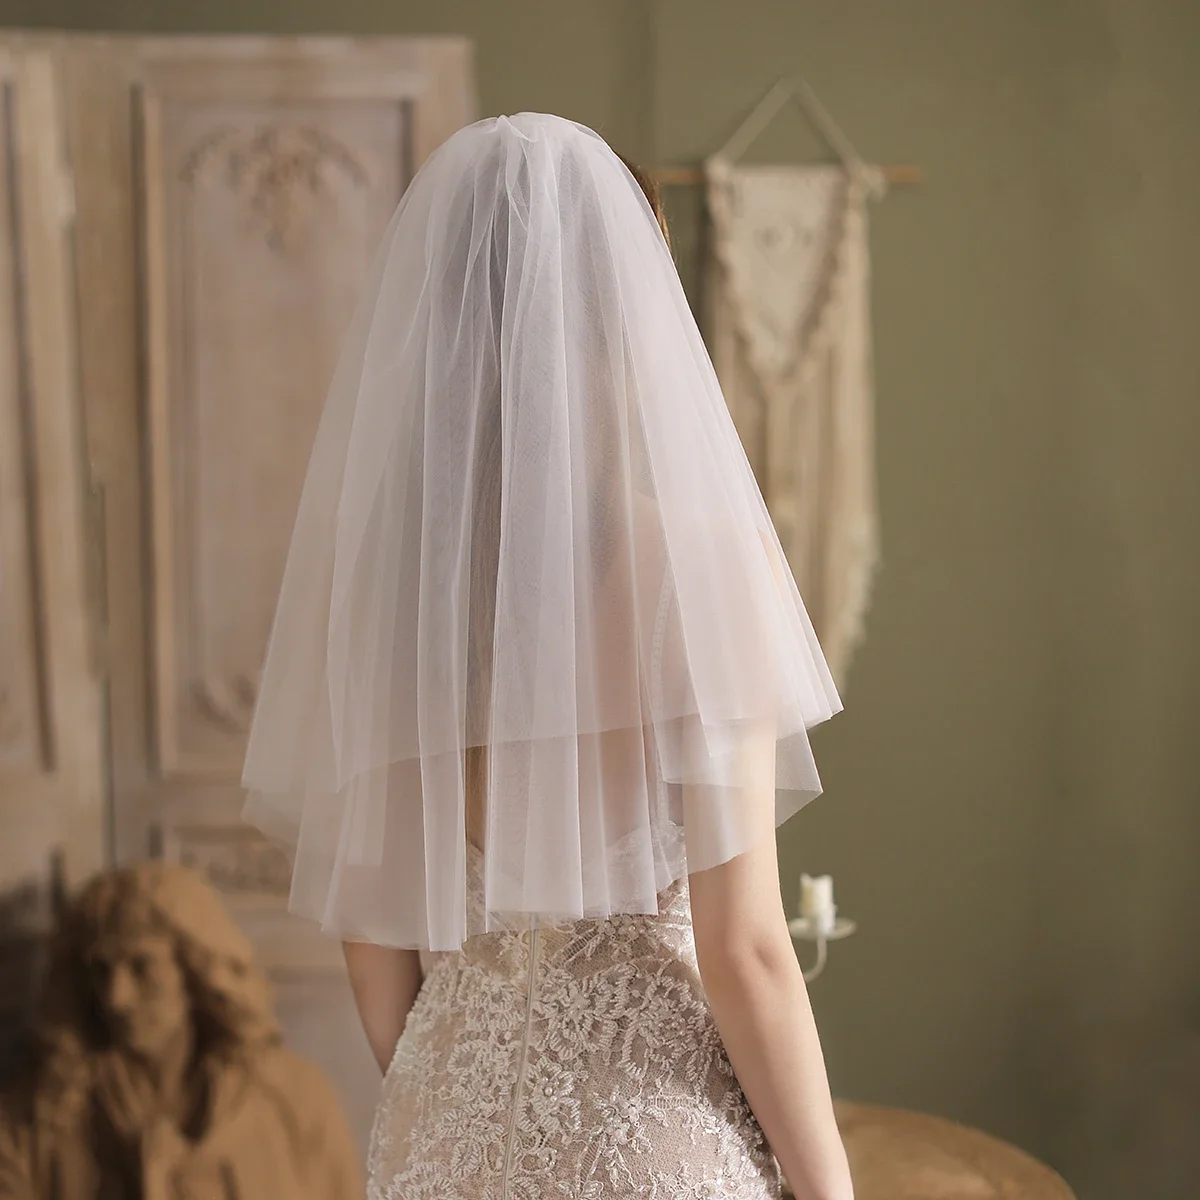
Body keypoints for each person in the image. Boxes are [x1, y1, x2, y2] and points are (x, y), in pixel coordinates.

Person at [242, 112, 854, 1200]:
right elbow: (748, 950)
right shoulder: (702, 568)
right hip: (642, 1135)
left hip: (441, 1131)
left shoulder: (397, 591)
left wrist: (469, 1100)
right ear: (632, 321)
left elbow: (375, 955)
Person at [0, 863, 362, 1199]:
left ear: (193, 971)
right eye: (101, 970)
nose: (116, 997)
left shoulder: (294, 1100)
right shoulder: (40, 1116)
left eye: (141, 966)